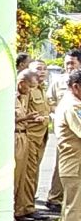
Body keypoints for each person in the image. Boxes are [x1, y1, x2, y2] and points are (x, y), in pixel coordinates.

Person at [16, 60, 51, 221]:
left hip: (40, 136)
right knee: (26, 175)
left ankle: (29, 206)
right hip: (28, 136)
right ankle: (24, 208)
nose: (42, 72)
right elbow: (22, 114)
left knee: (33, 173)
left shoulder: (41, 88)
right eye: (38, 69)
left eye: (44, 69)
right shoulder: (27, 88)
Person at [48, 50, 81, 211]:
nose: (69, 66)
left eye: (72, 63)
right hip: (74, 158)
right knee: (75, 207)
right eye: (67, 63)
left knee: (71, 203)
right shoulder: (73, 105)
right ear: (75, 87)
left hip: (72, 156)